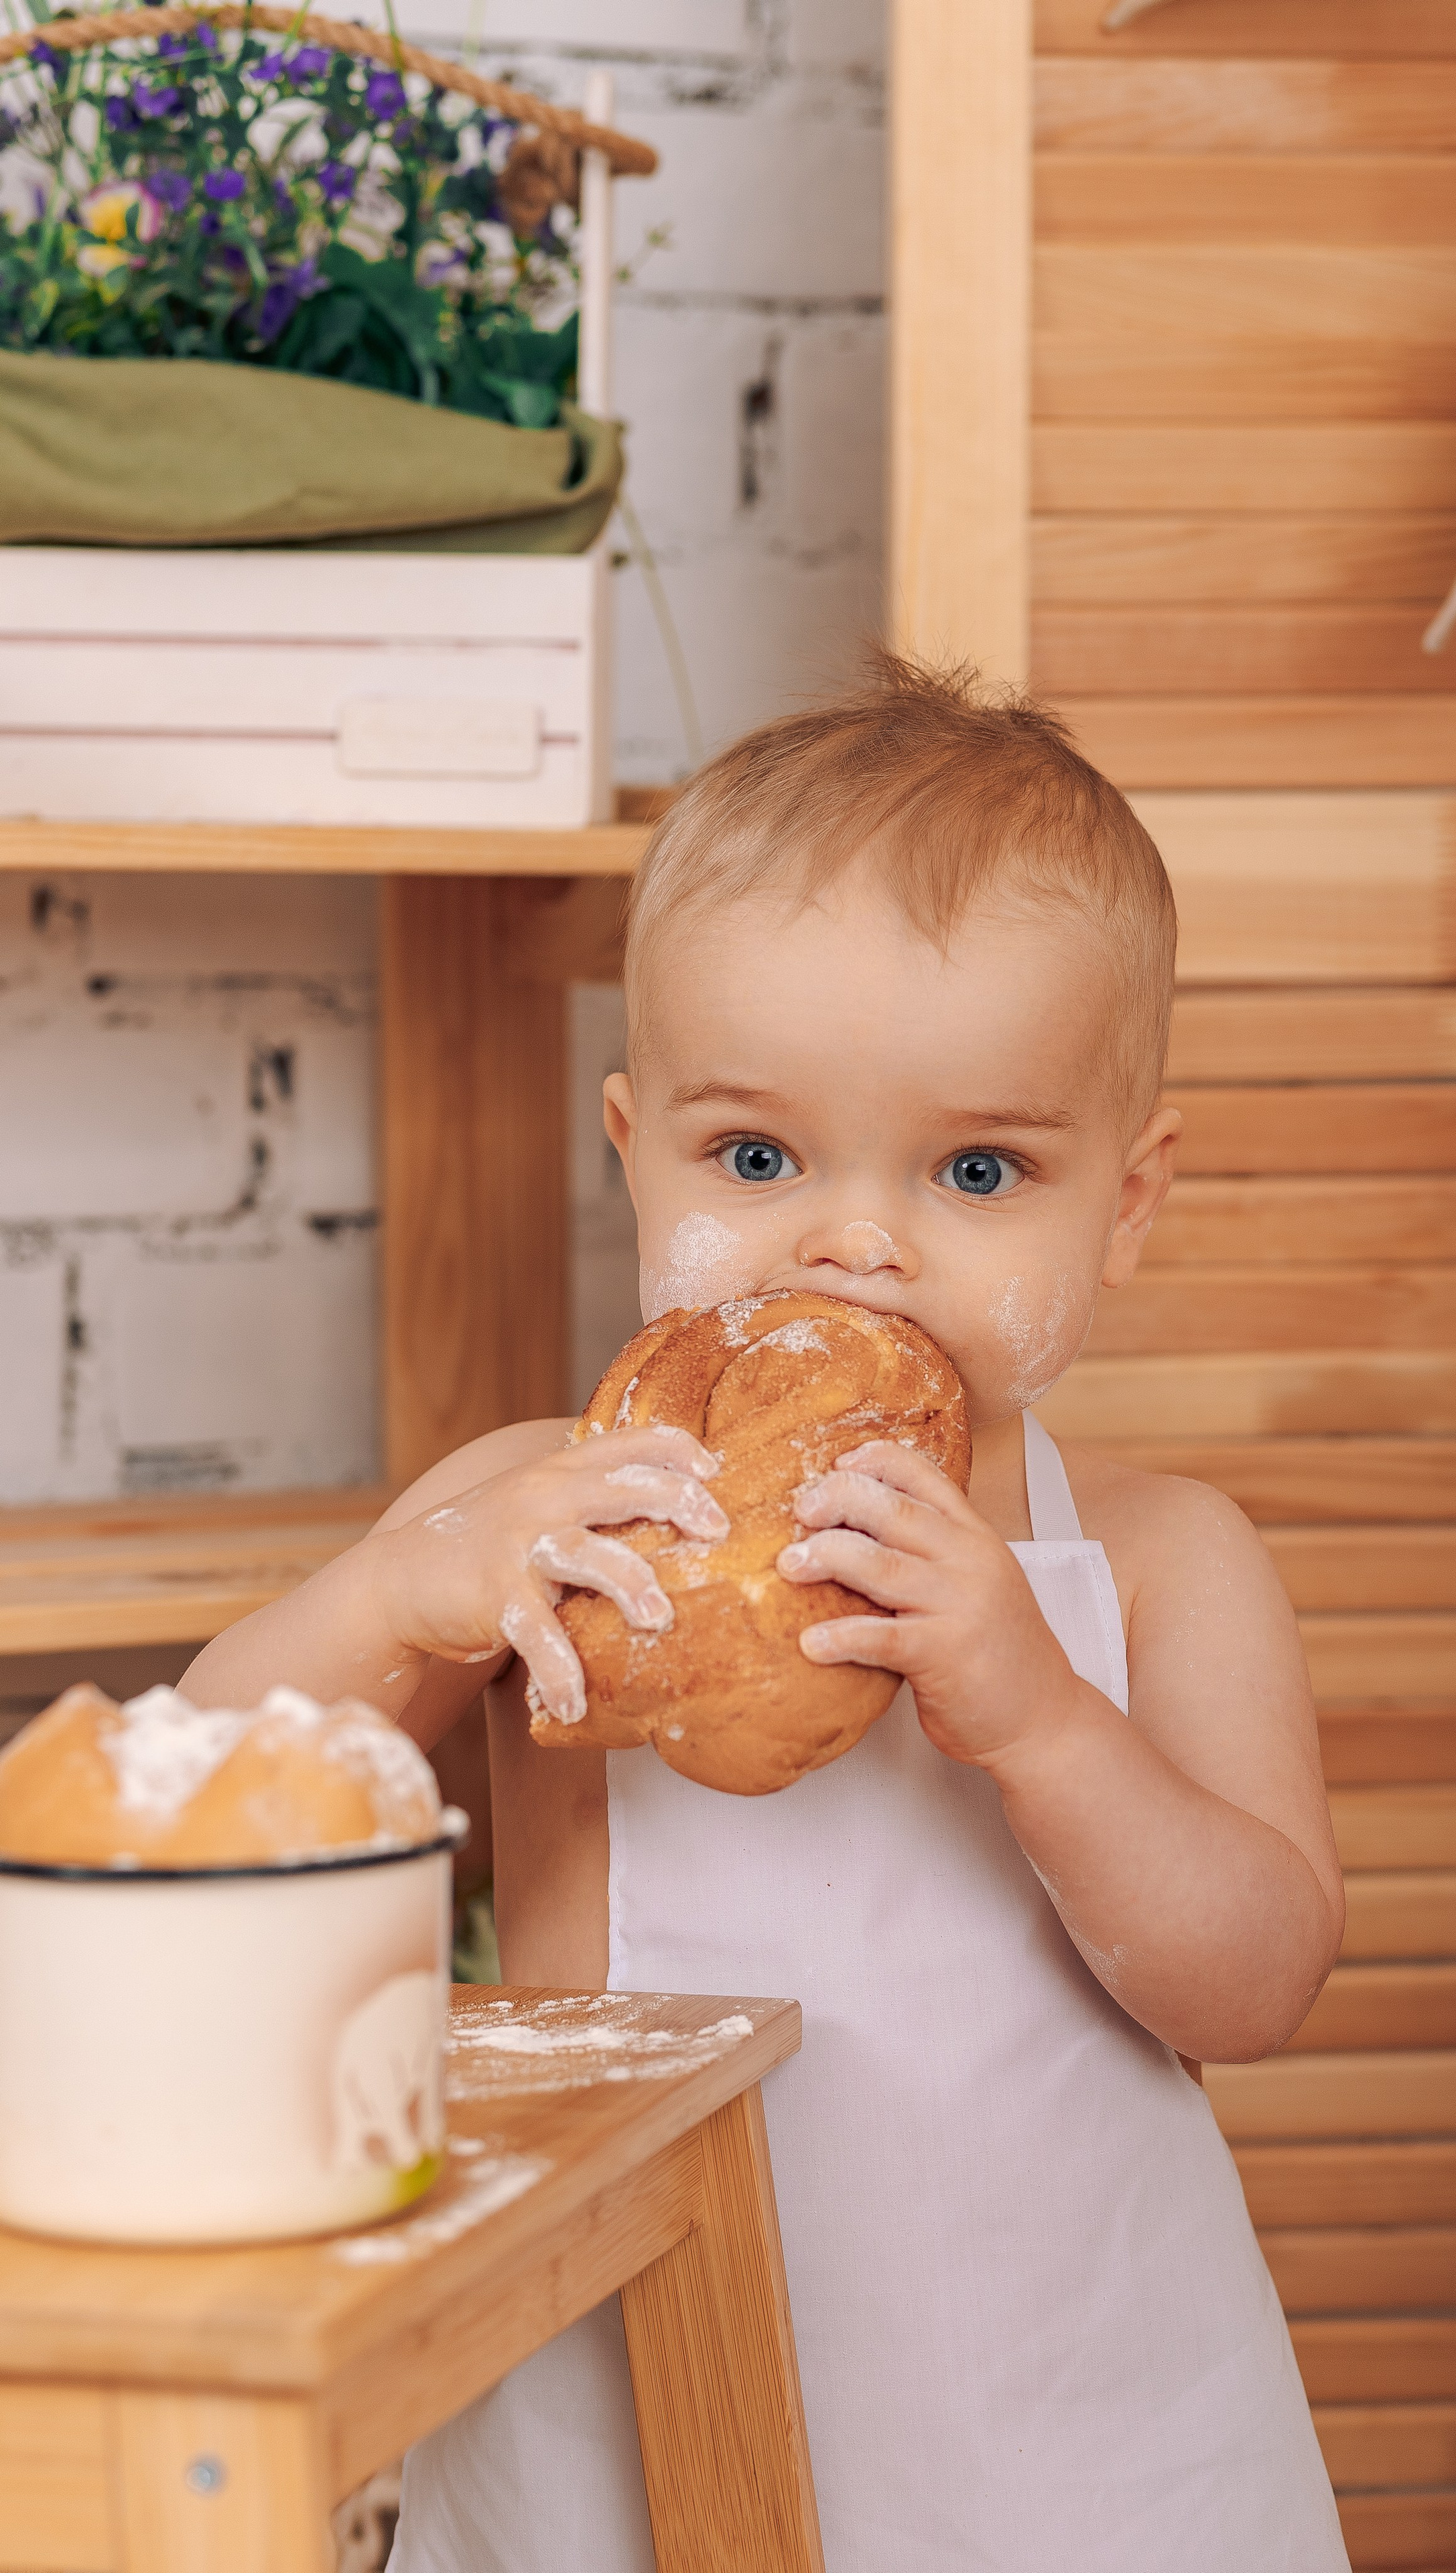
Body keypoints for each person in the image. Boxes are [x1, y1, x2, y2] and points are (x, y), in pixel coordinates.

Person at [185, 654, 1349, 2572]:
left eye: (979, 1170)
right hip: (609, 2406)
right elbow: (212, 1798)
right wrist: (403, 1597)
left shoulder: (1155, 1559)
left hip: (1060, 2432)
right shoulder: (533, 1506)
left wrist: (1048, 1722)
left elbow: (1257, 1980)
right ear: (629, 1148)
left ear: (1125, 1206)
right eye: (757, 1158)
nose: (857, 1240)